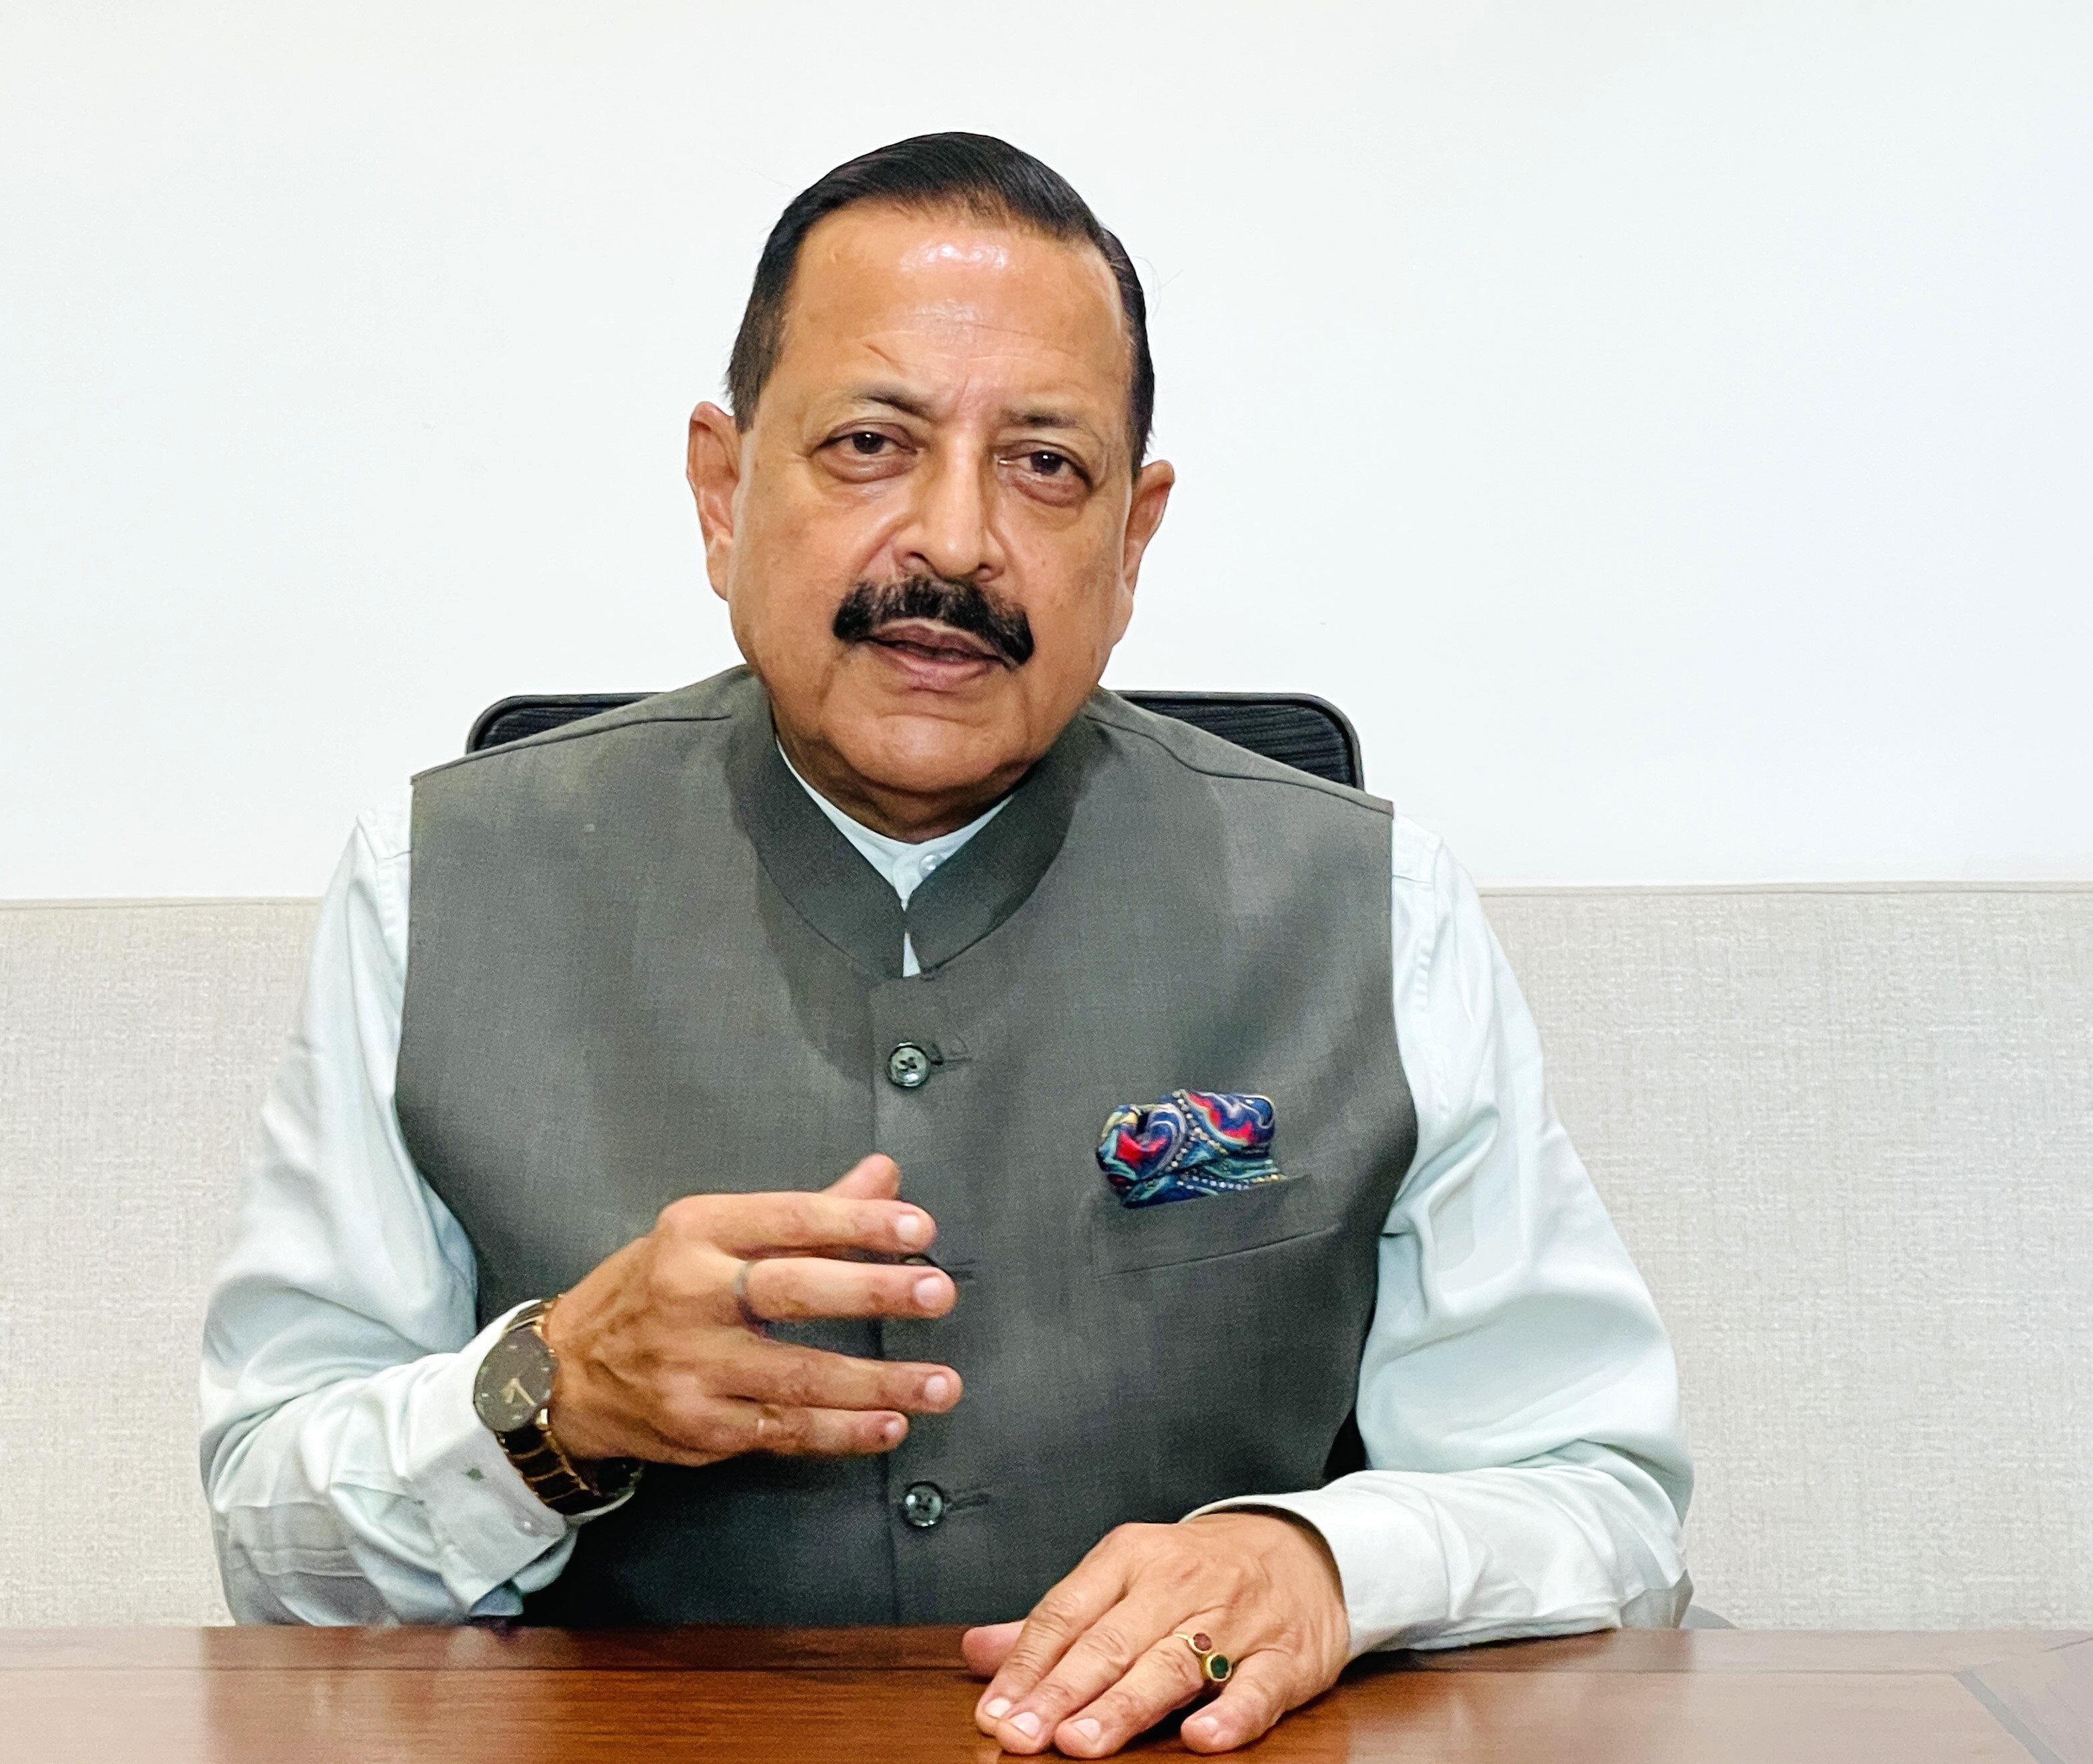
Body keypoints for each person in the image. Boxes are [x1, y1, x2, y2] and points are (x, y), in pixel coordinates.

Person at [200, 132, 1691, 1757]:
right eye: (870, 444)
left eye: (1046, 464)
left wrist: (1322, 1562)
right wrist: (559, 1398)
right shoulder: (436, 885)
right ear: (722, 491)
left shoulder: (1370, 902)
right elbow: (276, 1546)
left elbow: (1600, 1498)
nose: (958, 541)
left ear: (1133, 538)